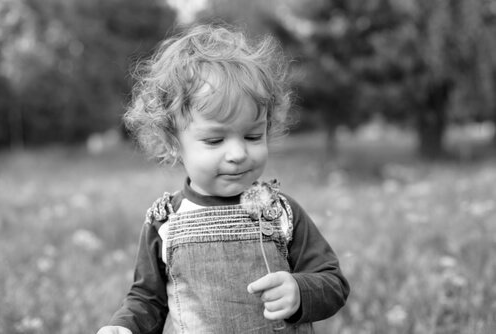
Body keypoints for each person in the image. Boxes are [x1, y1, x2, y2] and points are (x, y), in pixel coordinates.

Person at [97, 24, 349, 334]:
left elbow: (333, 282)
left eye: (253, 135)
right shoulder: (165, 222)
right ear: (173, 143)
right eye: (215, 141)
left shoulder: (281, 213)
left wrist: (300, 292)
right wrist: (124, 327)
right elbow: (147, 299)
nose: (238, 153)